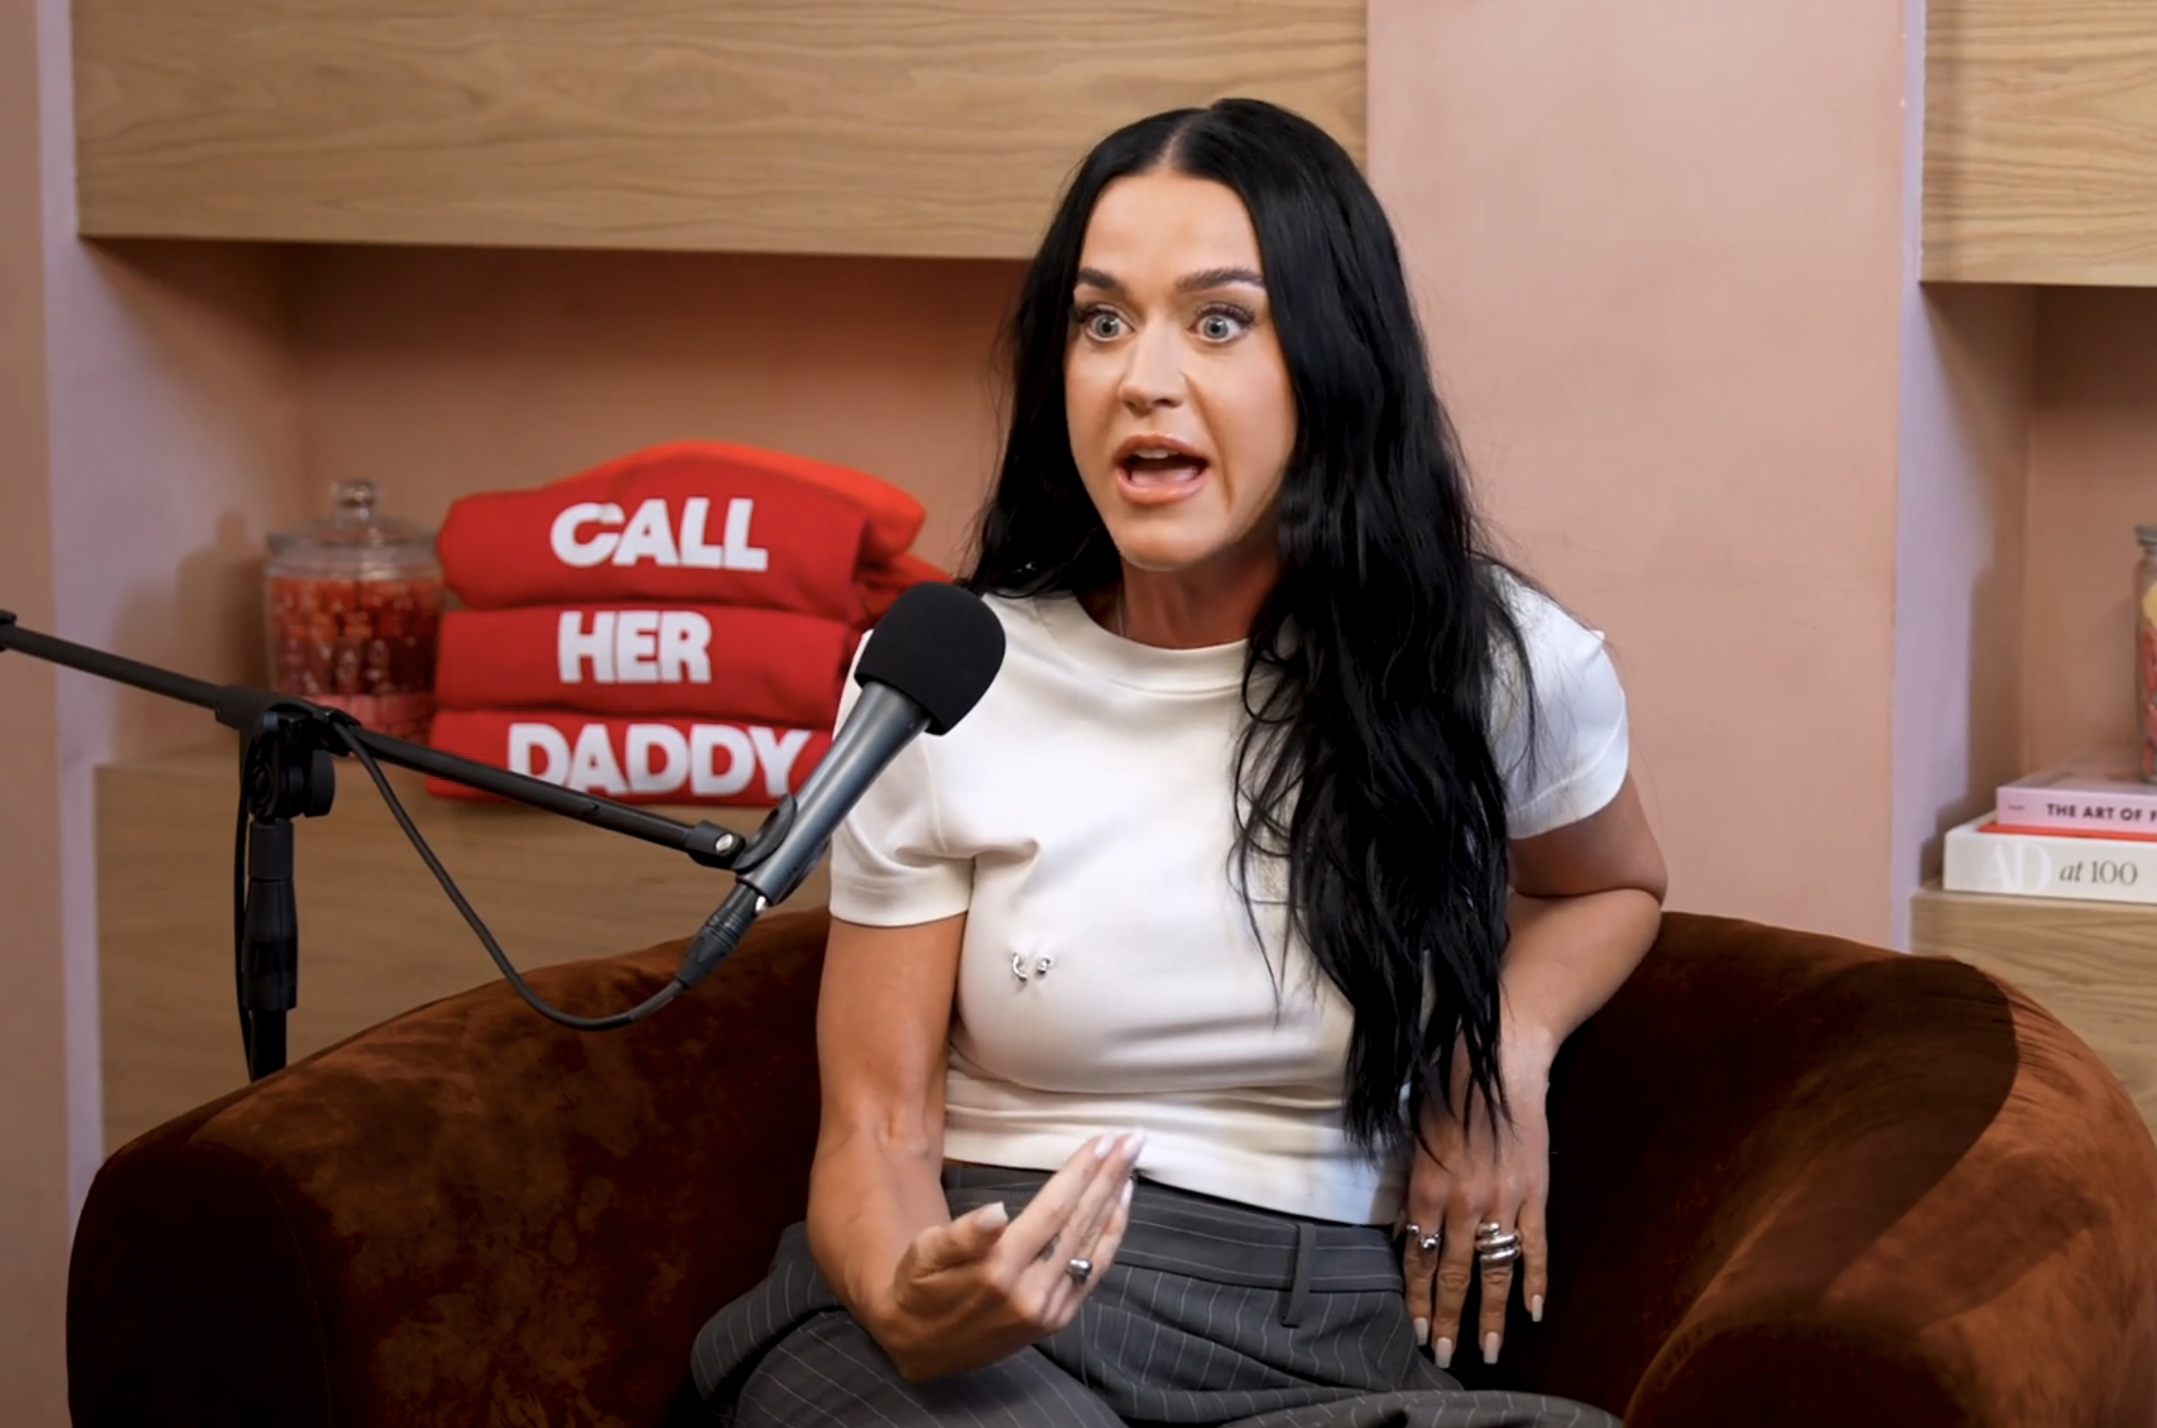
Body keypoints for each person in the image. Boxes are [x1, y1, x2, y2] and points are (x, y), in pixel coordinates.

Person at [688, 97, 1668, 1427]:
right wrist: (911, 1295)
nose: (1143, 376)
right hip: (978, 1320)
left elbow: (1606, 887)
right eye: (1101, 321)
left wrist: (1498, 1055)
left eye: (1219, 320)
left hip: (1320, 1348)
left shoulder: (1494, 665)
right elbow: (876, 1122)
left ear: (1331, 364)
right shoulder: (947, 672)